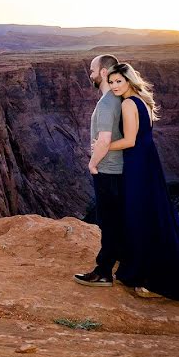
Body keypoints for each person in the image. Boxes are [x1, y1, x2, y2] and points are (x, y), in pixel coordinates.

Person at [101, 62, 179, 300]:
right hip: (149, 161)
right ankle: (159, 264)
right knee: (153, 211)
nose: (114, 86)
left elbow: (130, 141)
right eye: (112, 81)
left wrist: (103, 147)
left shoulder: (127, 103)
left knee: (137, 214)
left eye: (119, 81)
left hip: (136, 163)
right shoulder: (143, 101)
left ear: (129, 80)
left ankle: (148, 275)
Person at [74, 54, 125, 288]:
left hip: (107, 170)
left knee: (108, 222)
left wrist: (92, 164)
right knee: (116, 220)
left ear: (104, 72)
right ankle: (121, 262)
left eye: (93, 69)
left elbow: (104, 140)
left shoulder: (106, 103)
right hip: (118, 170)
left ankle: (104, 271)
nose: (90, 73)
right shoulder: (118, 98)